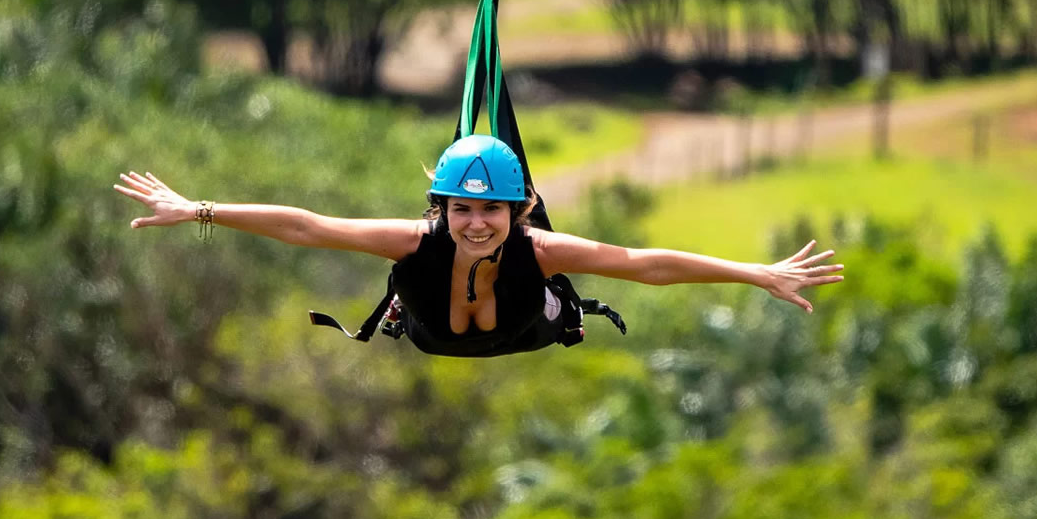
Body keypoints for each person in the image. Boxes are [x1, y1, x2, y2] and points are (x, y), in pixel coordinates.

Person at [113, 135, 844, 356]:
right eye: (464, 210)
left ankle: (556, 310)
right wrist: (196, 209)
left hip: (531, 326)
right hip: (432, 328)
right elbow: (308, 226)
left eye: (492, 211)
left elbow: (638, 265)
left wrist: (755, 273)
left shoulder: (538, 249)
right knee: (418, 286)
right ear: (444, 207)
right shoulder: (416, 240)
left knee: (555, 293)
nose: (477, 225)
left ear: (519, 209)